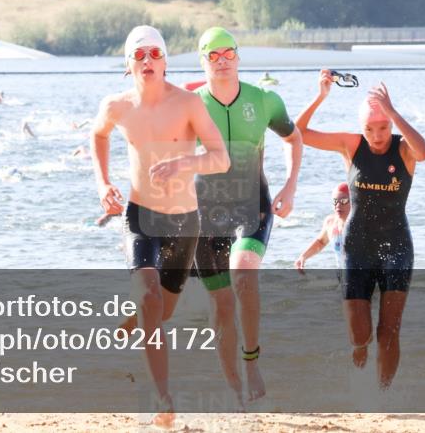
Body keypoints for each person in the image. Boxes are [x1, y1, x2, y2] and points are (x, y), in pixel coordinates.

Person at [120, 26, 303, 405]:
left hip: (252, 204)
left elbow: (294, 137)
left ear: (238, 56)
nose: (221, 61)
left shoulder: (265, 100)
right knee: (219, 305)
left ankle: (251, 361)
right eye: (211, 55)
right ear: (202, 62)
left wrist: (290, 186)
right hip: (203, 215)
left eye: (228, 53)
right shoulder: (188, 103)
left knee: (244, 273)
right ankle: (235, 390)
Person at [90, 25, 230, 428]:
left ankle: (136, 319)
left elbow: (220, 158)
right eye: (139, 55)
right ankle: (162, 399)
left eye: (154, 54)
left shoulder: (187, 104)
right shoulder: (117, 106)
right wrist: (103, 183)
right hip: (140, 216)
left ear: (166, 61)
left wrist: (183, 163)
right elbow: (97, 135)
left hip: (184, 221)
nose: (147, 61)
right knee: (151, 298)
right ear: (128, 64)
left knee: (162, 309)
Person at [295, 71, 425, 390]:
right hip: (358, 248)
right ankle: (359, 361)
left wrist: (394, 111)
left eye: (383, 127)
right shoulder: (351, 145)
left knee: (389, 331)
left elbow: (424, 153)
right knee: (360, 336)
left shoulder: (404, 149)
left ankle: (383, 395)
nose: (378, 135)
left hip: (396, 246)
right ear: (361, 128)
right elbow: (298, 132)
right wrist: (321, 96)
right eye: (370, 128)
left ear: (392, 125)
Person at [295, 183, 351, 273]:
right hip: (343, 277)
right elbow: (321, 242)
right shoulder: (331, 222)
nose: (338, 205)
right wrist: (303, 257)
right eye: (335, 201)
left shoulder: (362, 223)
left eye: (343, 201)